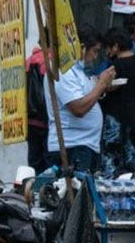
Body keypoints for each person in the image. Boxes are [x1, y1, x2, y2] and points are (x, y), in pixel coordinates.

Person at [43, 24, 115, 173]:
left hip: (86, 144)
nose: (95, 57)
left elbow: (87, 95)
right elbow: (78, 108)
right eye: (94, 51)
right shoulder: (63, 70)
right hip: (72, 146)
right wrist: (101, 85)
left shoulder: (79, 70)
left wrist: (102, 86)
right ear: (82, 48)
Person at [100, 26, 135, 178]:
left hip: (116, 116)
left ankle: (110, 188)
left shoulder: (115, 65)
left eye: (108, 47)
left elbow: (106, 86)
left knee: (111, 158)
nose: (107, 52)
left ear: (115, 46)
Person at [25, 38, 50, 174]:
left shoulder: (28, 61)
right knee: (49, 165)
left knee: (34, 163)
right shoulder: (49, 62)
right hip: (45, 120)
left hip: (30, 120)